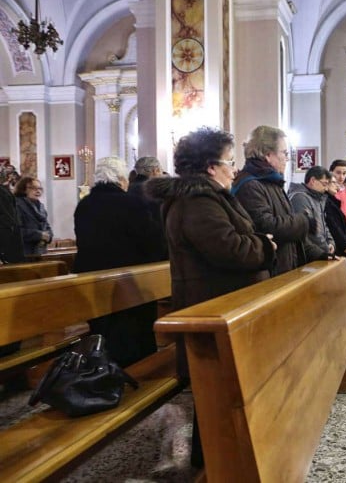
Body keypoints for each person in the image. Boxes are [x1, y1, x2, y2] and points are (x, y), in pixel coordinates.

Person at [146, 126, 277, 469]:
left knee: (223, 396)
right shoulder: (197, 201)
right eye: (229, 162)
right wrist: (266, 245)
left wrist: (258, 242)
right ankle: (217, 466)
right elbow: (231, 250)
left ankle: (227, 460)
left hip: (222, 307)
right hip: (211, 310)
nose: (234, 169)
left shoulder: (209, 197)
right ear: (209, 166)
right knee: (215, 396)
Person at [74, 157, 167, 368]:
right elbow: (153, 241)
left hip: (94, 281)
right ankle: (138, 372)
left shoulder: (84, 205)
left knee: (103, 334)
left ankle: (100, 370)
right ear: (121, 179)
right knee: (132, 335)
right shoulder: (133, 203)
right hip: (130, 283)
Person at [232, 125, 309, 275]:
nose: (287, 159)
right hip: (269, 271)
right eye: (284, 153)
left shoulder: (271, 182)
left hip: (282, 267)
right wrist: (303, 221)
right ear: (268, 155)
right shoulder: (250, 185)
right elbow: (266, 226)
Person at [289, 166, 335, 261]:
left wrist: (331, 242)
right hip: (309, 254)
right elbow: (309, 231)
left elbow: (323, 224)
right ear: (313, 180)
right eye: (324, 184)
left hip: (321, 251)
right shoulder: (300, 198)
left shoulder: (318, 198)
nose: (326, 189)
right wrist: (325, 248)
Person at [128, 156, 168, 258]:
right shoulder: (155, 190)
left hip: (132, 244)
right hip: (155, 244)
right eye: (161, 171)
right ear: (155, 170)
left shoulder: (128, 188)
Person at [14, 177, 53, 257]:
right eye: (33, 188)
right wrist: (39, 235)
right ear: (23, 189)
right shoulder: (16, 205)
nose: (38, 191)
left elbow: (47, 226)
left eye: (40, 188)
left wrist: (49, 236)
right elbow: (16, 231)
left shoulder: (41, 207)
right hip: (23, 252)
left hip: (40, 251)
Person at [0, 165, 24, 264]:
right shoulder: (2, 192)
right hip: (7, 236)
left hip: (11, 235)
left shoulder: (5, 191)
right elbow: (7, 217)